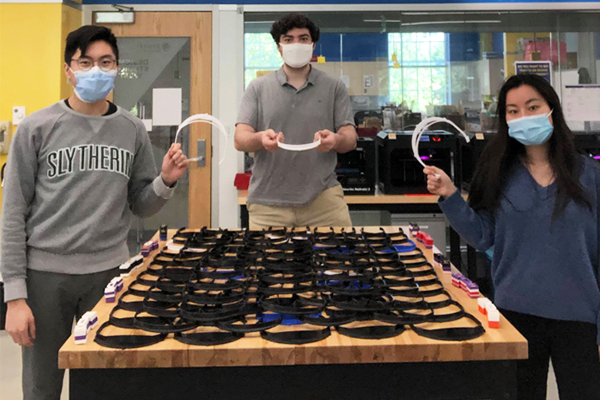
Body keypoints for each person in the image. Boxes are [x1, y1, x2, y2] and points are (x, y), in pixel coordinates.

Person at [1, 25, 188, 400]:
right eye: (85, 62)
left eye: (105, 62)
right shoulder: (36, 127)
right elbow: (12, 214)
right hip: (45, 277)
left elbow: (140, 203)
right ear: (68, 70)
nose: (95, 71)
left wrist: (165, 182)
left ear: (117, 67)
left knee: (104, 381)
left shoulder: (132, 129)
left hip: (107, 274)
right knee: (41, 385)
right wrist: (14, 297)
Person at [424, 73, 600, 400]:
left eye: (532, 107)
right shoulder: (497, 173)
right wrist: (449, 196)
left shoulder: (589, 175)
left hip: (580, 317)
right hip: (515, 314)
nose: (523, 117)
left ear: (551, 110)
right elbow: (483, 236)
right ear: (505, 119)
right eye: (513, 111)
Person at [234, 13, 357, 229]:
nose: (296, 44)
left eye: (303, 38)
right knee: (269, 263)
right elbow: (240, 139)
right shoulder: (258, 87)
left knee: (337, 261)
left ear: (313, 44)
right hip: (267, 206)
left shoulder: (334, 87)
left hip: (324, 203)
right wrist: (261, 138)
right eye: (288, 39)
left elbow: (350, 138)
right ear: (279, 47)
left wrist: (336, 140)